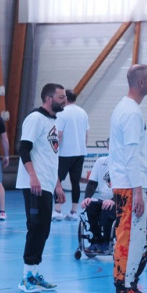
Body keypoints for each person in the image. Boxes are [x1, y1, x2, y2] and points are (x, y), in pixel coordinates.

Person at [108, 63, 147, 293]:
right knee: (128, 237)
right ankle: (122, 291)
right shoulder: (130, 112)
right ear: (141, 82)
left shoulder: (129, 109)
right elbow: (131, 154)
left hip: (135, 185)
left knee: (143, 237)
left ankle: (131, 284)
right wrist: (137, 189)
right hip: (129, 187)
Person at [16, 83, 66, 293]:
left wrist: (57, 185)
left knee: (44, 229)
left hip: (47, 183)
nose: (65, 101)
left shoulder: (53, 121)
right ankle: (26, 277)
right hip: (34, 184)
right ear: (48, 99)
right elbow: (23, 148)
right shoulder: (35, 119)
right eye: (61, 97)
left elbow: (51, 157)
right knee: (36, 227)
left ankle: (34, 273)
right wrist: (33, 177)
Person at [53, 89, 89, 221]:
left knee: (58, 180)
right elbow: (86, 134)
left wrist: (54, 151)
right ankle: (74, 211)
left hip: (64, 153)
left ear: (66, 99)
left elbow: (59, 134)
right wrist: (83, 148)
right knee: (75, 182)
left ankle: (57, 210)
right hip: (80, 152)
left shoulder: (62, 113)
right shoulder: (83, 112)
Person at [80, 155, 115, 255]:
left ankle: (106, 242)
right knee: (90, 206)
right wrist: (87, 198)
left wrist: (113, 200)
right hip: (102, 200)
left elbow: (126, 188)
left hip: (118, 200)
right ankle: (95, 241)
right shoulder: (101, 162)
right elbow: (92, 183)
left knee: (107, 208)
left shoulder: (124, 162)